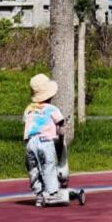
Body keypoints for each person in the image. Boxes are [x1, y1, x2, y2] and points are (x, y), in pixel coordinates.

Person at [23, 74, 84, 208]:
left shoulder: (29, 109)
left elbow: (27, 124)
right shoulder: (52, 109)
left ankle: (39, 195)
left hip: (30, 143)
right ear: (50, 95)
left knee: (34, 170)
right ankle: (52, 194)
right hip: (46, 142)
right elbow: (60, 129)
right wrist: (61, 141)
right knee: (48, 168)